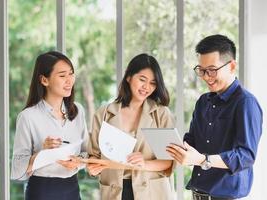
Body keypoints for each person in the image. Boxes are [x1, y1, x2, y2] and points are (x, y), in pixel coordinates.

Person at [167, 34, 263, 200]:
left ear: (232, 66)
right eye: (202, 70)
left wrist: (203, 160)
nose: (205, 77)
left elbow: (246, 156)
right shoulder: (203, 102)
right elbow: (192, 142)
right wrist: (176, 148)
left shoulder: (245, 103)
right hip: (197, 194)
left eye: (212, 70)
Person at [87, 53, 176, 200]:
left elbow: (168, 162)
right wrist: (92, 168)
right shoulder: (104, 113)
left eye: (153, 83)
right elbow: (94, 156)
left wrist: (143, 163)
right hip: (115, 192)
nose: (146, 87)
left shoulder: (161, 114)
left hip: (151, 192)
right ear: (128, 77)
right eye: (142, 79)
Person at [11, 51, 88, 200]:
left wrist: (78, 162)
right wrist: (42, 153)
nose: (69, 80)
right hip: (41, 191)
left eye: (71, 74)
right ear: (44, 80)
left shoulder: (78, 111)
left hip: (72, 189)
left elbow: (87, 152)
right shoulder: (28, 117)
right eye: (62, 75)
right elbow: (17, 169)